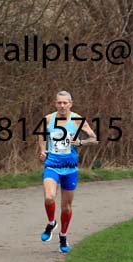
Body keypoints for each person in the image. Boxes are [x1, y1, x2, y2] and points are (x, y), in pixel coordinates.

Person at [38, 91, 98, 253]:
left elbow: (94, 138)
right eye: (59, 103)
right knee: (49, 197)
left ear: (71, 103)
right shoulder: (48, 119)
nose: (62, 106)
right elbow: (42, 136)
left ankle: (63, 236)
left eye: (65, 103)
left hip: (70, 168)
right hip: (51, 165)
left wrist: (81, 142)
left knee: (66, 208)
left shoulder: (78, 120)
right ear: (55, 103)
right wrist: (43, 150)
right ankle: (51, 223)